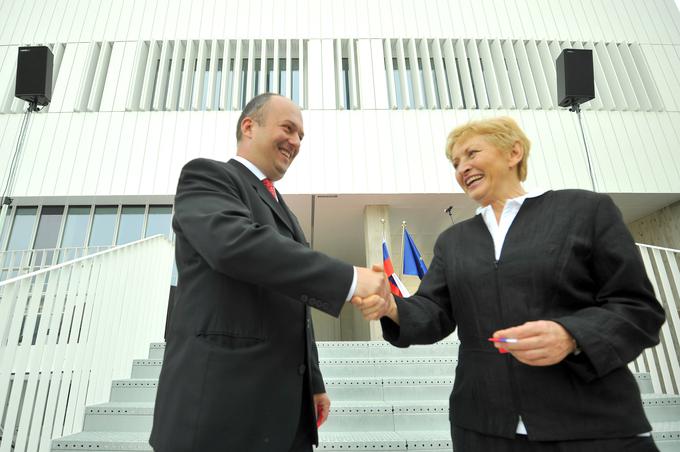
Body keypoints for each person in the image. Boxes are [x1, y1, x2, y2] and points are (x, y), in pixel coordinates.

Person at [354, 116, 665, 451]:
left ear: (514, 152)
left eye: (472, 154)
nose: (462, 169)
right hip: (483, 430)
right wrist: (393, 307)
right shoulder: (453, 241)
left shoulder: (585, 210)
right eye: (455, 163)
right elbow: (433, 312)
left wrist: (572, 335)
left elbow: (638, 309)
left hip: (592, 425)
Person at [149, 93, 387, 452]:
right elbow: (237, 246)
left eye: (301, 136)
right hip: (220, 411)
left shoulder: (285, 211)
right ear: (249, 126)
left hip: (284, 413)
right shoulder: (208, 176)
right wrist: (349, 279)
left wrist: (314, 383)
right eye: (288, 129)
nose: (295, 142)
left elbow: (294, 301)